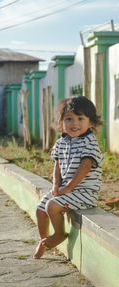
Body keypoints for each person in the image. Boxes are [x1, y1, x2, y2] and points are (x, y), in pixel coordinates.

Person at [33, 95, 103, 259]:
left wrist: (69, 187)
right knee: (40, 210)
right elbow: (57, 166)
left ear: (91, 122)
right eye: (69, 119)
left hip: (84, 193)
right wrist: (56, 185)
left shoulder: (89, 141)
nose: (74, 123)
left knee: (52, 206)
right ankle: (43, 240)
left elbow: (85, 166)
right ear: (60, 122)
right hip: (66, 190)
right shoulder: (61, 143)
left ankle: (59, 234)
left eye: (80, 118)